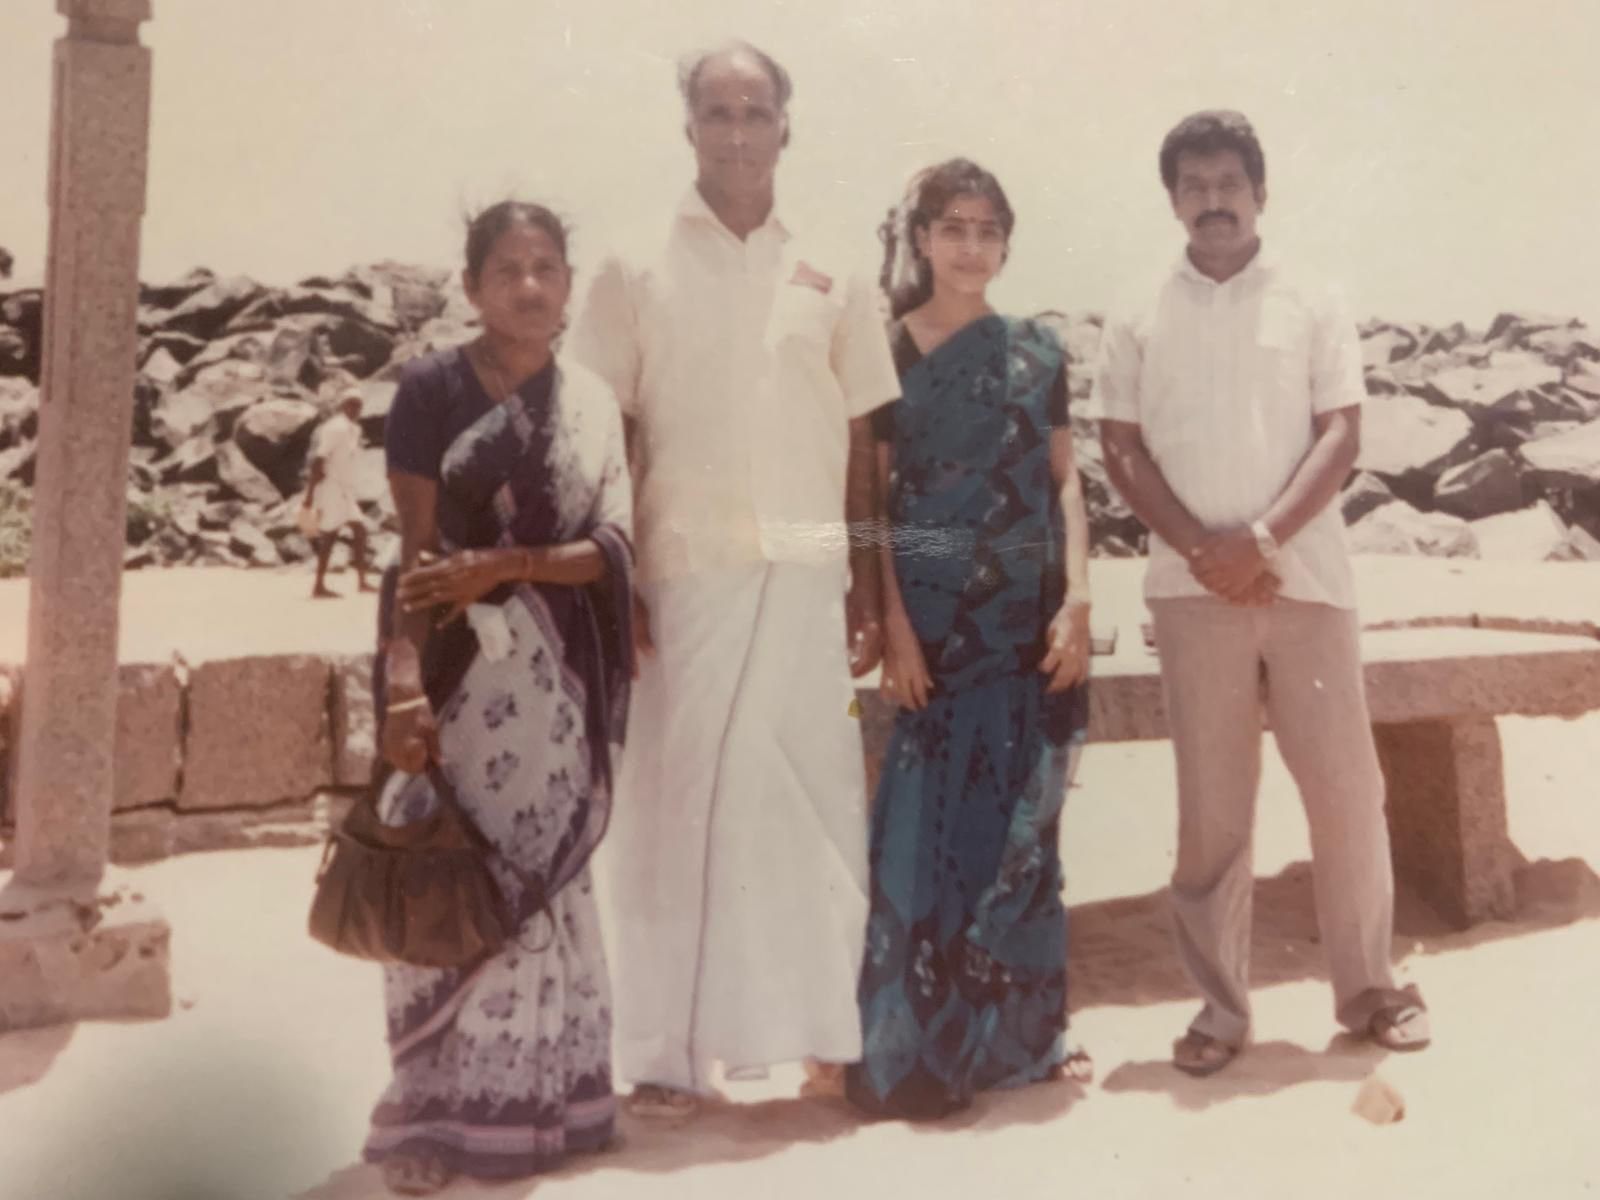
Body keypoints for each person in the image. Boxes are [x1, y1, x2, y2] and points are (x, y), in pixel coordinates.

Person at [569, 40, 900, 1118]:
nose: (739, 132)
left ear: (785, 125)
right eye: (718, 112)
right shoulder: (631, 263)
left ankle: (821, 1037)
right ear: (689, 126)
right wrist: (616, 574)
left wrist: (866, 581)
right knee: (679, 804)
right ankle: (665, 1056)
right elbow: (606, 427)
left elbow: (863, 438)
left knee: (813, 802)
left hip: (806, 572)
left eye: (756, 112)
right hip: (684, 570)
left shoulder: (835, 264)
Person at [1090, 110, 1431, 1078]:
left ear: (1260, 193)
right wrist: (1205, 550)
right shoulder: (1137, 312)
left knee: (1347, 793)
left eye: (1228, 183)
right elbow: (1120, 447)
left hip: (1305, 581)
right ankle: (1220, 1011)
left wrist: (1264, 539)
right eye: (1193, 186)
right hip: (1191, 589)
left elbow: (1341, 434)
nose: (1213, 201)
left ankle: (1371, 990)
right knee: (1212, 813)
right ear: (1172, 201)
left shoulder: (1313, 299)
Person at [363, 200, 634, 1193]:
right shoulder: (430, 390)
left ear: (569, 283)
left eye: (546, 268)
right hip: (454, 680)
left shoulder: (593, 401)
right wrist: (402, 696)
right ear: (472, 286)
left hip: (557, 686)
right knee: (445, 874)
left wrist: (507, 565)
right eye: (507, 270)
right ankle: (434, 1117)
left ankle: (550, 1104)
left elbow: (612, 546)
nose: (529, 286)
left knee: (542, 884)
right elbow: (413, 556)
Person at [843, 160, 1094, 1119]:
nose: (971, 246)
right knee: (922, 835)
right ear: (921, 239)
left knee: (1021, 836)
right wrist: (896, 630)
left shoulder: (1038, 349)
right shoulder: (886, 351)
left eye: (989, 230)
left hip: (1027, 625)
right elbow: (872, 502)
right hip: (934, 627)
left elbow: (1066, 481)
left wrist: (1078, 599)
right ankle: (911, 1052)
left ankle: (1018, 1047)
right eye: (953, 227)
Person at [302, 388, 376, 597]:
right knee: (331, 535)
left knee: (360, 531)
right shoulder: (335, 428)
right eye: (351, 404)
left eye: (359, 405)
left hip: (346, 491)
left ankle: (362, 581)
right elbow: (319, 460)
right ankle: (319, 585)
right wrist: (310, 495)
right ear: (343, 405)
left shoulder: (354, 429)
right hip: (332, 488)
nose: (356, 409)